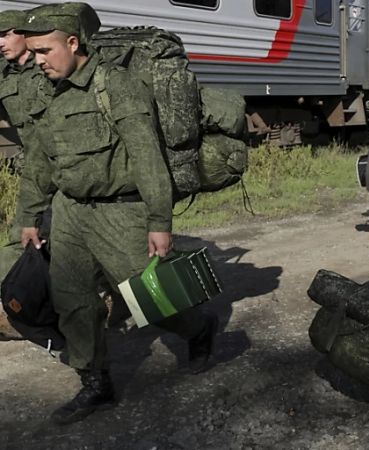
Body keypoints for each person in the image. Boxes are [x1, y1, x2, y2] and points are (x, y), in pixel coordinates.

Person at [15, 3, 218, 425]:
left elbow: (148, 158)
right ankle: (95, 384)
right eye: (32, 52)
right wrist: (30, 215)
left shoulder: (116, 85)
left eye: (45, 51)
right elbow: (38, 160)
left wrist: (159, 222)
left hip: (121, 213)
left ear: (73, 43)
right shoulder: (45, 91)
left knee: (154, 298)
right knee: (73, 303)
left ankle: (199, 328)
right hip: (69, 213)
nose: (38, 61)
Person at [0, 8, 51, 280]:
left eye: (6, 35)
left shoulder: (49, 67)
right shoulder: (4, 73)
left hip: (64, 169)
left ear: (24, 35)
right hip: (34, 170)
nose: (0, 43)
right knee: (22, 234)